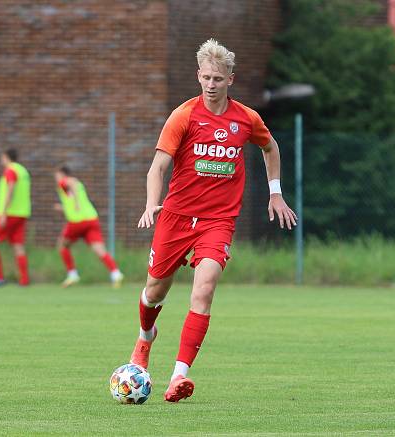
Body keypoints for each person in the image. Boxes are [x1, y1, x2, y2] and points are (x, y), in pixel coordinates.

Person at [126, 39, 297, 402]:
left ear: (230, 80)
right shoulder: (183, 116)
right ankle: (144, 339)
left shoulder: (246, 118)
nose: (211, 84)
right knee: (155, 290)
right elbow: (158, 166)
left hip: (217, 221)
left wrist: (276, 191)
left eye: (218, 78)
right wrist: (150, 204)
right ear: (198, 76)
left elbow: (270, 147)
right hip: (175, 216)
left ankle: (178, 377)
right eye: (206, 77)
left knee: (203, 290)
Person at [53, 166, 124, 288]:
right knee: (99, 250)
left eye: (57, 175)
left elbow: (71, 184)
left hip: (77, 221)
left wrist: (76, 203)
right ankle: (116, 273)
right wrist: (64, 207)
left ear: (62, 174)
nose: (56, 178)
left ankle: (72, 274)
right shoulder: (79, 184)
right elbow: (74, 196)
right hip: (91, 219)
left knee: (62, 245)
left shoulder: (66, 181)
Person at [0, 148, 31, 287]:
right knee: (18, 246)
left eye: (2, 157)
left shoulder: (10, 170)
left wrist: (3, 213)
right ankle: (24, 280)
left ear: (6, 157)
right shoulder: (23, 171)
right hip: (21, 213)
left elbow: (11, 189)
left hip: (10, 214)